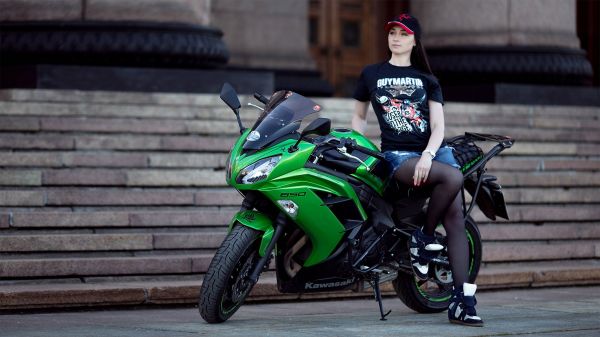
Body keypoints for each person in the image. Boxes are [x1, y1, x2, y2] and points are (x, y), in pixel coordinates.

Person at [351, 13, 483, 327]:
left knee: (454, 218)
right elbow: (358, 118)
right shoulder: (371, 74)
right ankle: (423, 238)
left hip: (432, 153)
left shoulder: (428, 79)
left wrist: (427, 156)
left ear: (414, 40)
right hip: (396, 156)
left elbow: (438, 127)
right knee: (452, 177)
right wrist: (362, 147)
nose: (396, 37)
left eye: (403, 33)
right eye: (392, 32)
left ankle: (463, 301)